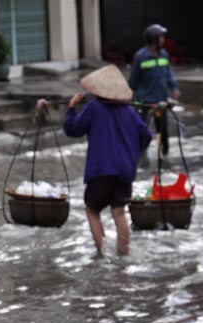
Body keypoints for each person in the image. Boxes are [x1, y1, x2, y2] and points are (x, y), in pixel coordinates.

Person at [63, 65, 152, 255]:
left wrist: (71, 108)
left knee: (92, 210)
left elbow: (73, 129)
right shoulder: (130, 111)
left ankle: (103, 255)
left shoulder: (94, 108)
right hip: (125, 172)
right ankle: (123, 256)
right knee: (119, 212)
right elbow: (146, 135)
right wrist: (132, 153)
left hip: (102, 170)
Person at [129, 24, 180, 157]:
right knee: (142, 130)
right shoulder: (141, 56)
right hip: (144, 101)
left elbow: (169, 73)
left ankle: (164, 154)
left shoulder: (164, 54)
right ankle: (140, 155)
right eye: (161, 37)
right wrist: (131, 97)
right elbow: (133, 79)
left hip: (160, 101)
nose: (163, 39)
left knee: (162, 130)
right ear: (154, 39)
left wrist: (174, 87)